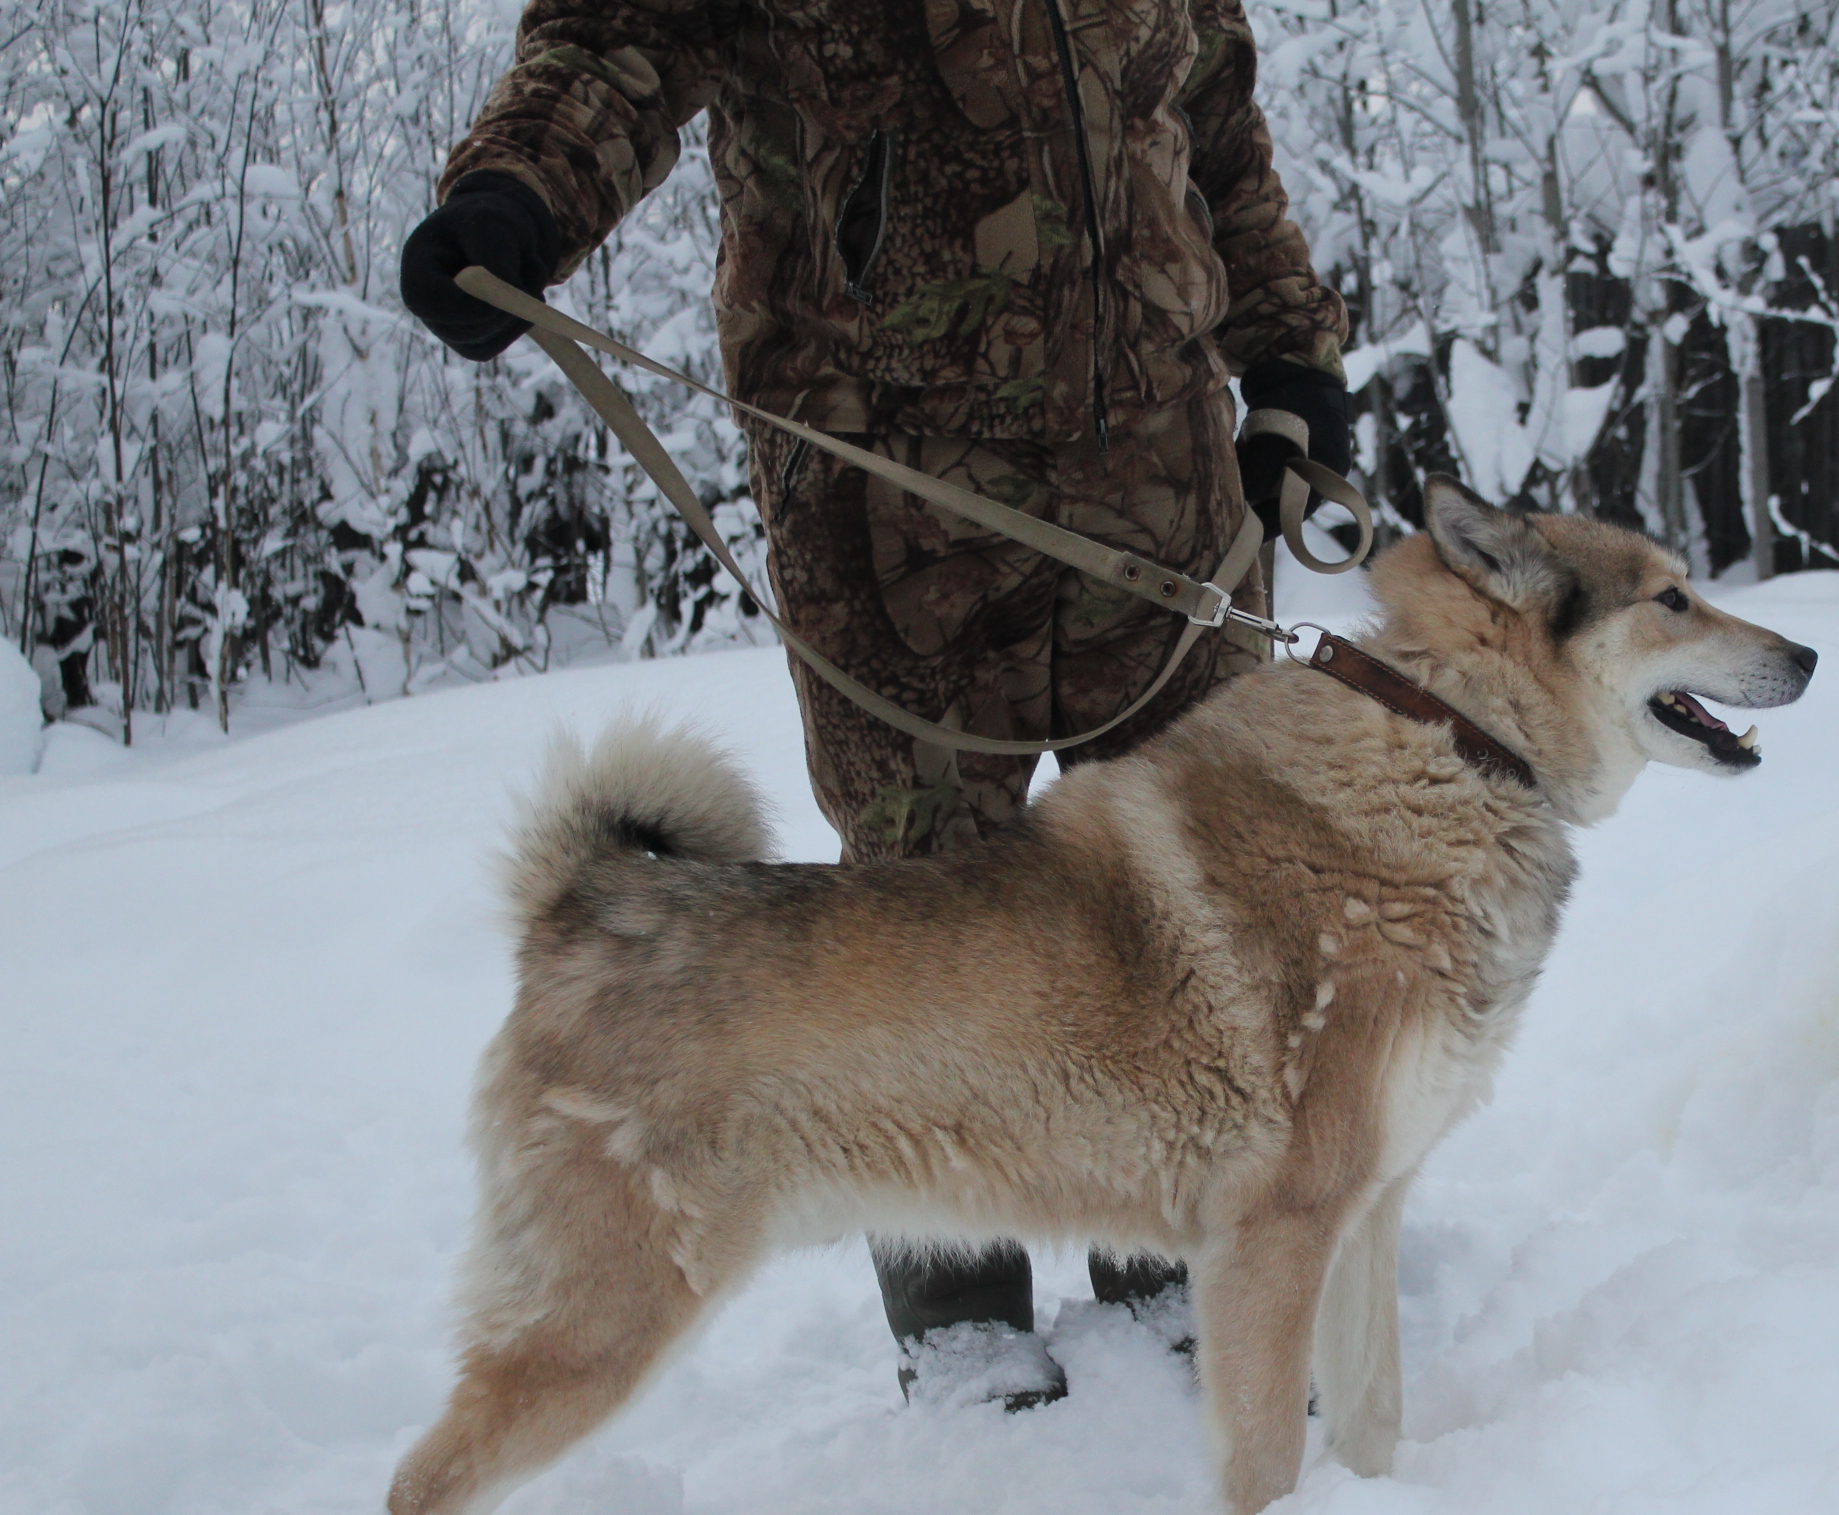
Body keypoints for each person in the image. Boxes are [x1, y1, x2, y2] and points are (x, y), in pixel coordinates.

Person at [399, 0, 1351, 1409]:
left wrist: (1287, 363)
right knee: (921, 928)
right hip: (888, 507)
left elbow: (1213, 121)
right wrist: (518, 191)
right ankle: (963, 1323)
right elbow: (621, 40)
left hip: (1157, 493)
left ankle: (1192, 1269)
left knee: (1204, 899)